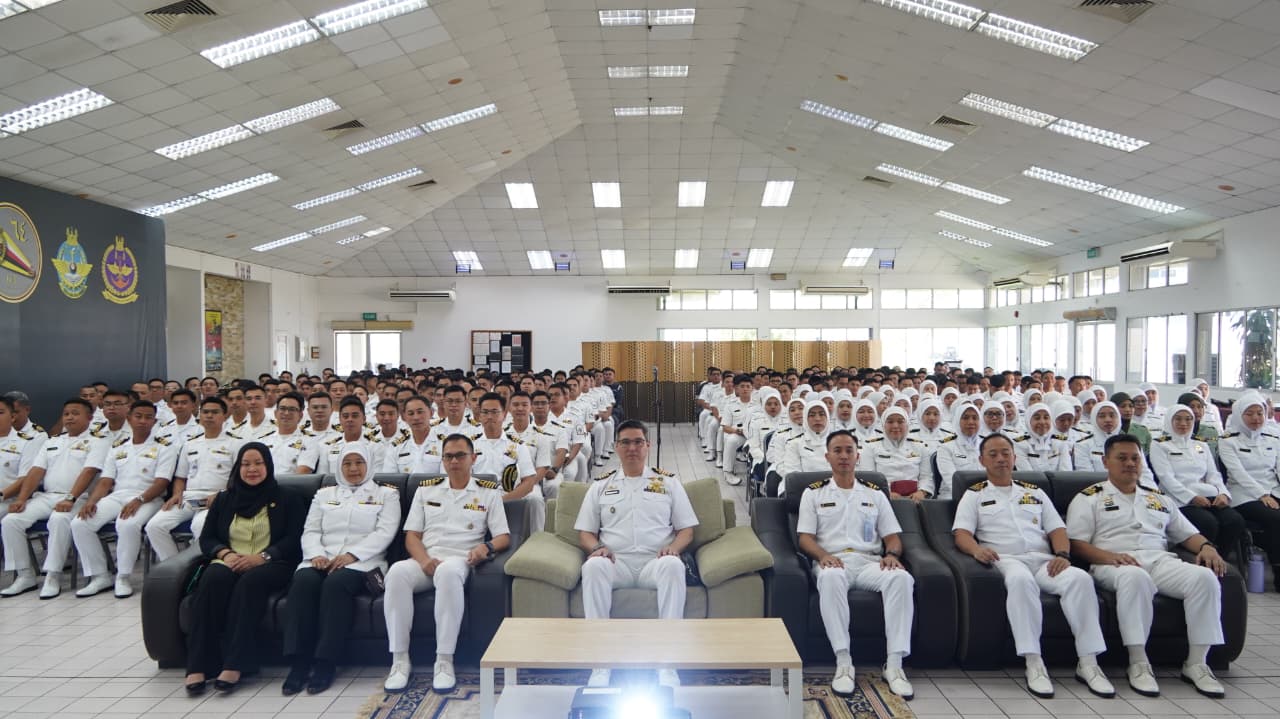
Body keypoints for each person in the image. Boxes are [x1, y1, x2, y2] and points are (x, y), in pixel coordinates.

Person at [1066, 434, 1228, 699]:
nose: (1130, 463)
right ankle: (1139, 662)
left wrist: (1207, 546)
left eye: (1135, 458)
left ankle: (1197, 663)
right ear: (1105, 461)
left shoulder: (1158, 498)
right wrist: (1109, 557)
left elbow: (1187, 534)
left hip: (1160, 561)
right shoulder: (1089, 498)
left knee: (1205, 579)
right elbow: (1076, 544)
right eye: (1122, 458)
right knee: (1135, 577)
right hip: (1113, 563)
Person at [952, 434, 1113, 699]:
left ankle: (1089, 663)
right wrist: (977, 550)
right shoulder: (974, 494)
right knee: (1020, 581)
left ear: (1014, 457)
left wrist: (1063, 554)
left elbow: (1057, 528)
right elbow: (962, 534)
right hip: (1006, 560)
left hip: (1044, 560)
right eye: (993, 454)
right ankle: (1034, 662)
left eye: (1005, 453)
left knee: (1080, 580)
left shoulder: (1035, 492)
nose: (1001, 459)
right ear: (981, 460)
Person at [382, 434, 510, 693]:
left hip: (459, 559)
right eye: (448, 456)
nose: (454, 461)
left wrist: (485, 547)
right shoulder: (426, 489)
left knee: (448, 573)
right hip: (426, 559)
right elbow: (412, 536)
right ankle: (399, 660)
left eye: (460, 455)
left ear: (473, 458)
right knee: (396, 572)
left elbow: (503, 537)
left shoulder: (488, 491)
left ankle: (444, 661)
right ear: (442, 460)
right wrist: (424, 560)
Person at [575, 420, 697, 689]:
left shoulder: (668, 483)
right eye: (626, 442)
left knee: (673, 565)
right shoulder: (601, 485)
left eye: (638, 442)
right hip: (616, 563)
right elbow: (585, 532)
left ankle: (667, 664)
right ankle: (600, 664)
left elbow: (687, 530)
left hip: (655, 562)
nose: (632, 448)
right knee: (592, 566)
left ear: (648, 446)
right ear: (616, 447)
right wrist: (596, 548)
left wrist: (674, 548)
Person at [797, 430, 914, 699]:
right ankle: (843, 661)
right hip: (833, 560)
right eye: (837, 451)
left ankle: (894, 665)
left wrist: (892, 555)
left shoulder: (875, 494)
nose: (844, 456)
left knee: (902, 578)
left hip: (870, 562)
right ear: (827, 457)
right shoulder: (813, 493)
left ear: (857, 456)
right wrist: (822, 556)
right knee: (831, 577)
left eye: (849, 450)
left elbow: (892, 537)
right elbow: (805, 538)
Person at [184, 442, 306, 696]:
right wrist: (226, 554)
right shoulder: (224, 499)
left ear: (268, 466)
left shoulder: (287, 498)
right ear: (237, 468)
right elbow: (207, 539)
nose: (252, 469)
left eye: (258, 463)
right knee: (212, 578)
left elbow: (294, 539)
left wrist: (262, 557)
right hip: (229, 560)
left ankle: (236, 663)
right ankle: (199, 665)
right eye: (246, 464)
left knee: (250, 582)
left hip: (272, 563)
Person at [282, 446, 400, 695]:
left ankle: (326, 662)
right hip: (321, 558)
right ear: (339, 467)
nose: (353, 468)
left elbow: (385, 533)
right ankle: (299, 663)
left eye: (359, 462)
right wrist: (316, 554)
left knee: (335, 584)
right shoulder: (324, 494)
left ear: (369, 464)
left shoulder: (387, 495)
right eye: (347, 463)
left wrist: (352, 555)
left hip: (364, 563)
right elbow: (311, 530)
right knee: (303, 582)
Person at [70, 400, 177, 598]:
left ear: (155, 421)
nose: (143, 421)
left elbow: (162, 482)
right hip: (117, 496)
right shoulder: (118, 446)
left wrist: (139, 500)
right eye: (138, 416)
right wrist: (91, 501)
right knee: (80, 523)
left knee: (127, 524)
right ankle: (99, 576)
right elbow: (105, 481)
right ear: (129, 418)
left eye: (148, 417)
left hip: (148, 499)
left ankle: (123, 577)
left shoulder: (164, 446)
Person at [0, 398, 105, 598]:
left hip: (79, 498)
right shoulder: (52, 441)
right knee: (11, 521)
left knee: (59, 519)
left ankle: (53, 575)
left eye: (75, 413)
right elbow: (36, 472)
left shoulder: (98, 441)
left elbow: (89, 471)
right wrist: (21, 498)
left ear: (89, 418)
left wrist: (70, 498)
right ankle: (25, 575)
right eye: (66, 414)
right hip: (47, 496)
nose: (70, 417)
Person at [146, 396, 242, 562]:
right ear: (200, 415)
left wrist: (222, 496)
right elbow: (180, 477)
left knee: (199, 526)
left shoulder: (235, 443)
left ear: (225, 416)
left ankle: (201, 568)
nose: (209, 416)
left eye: (215, 412)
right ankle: (175, 566)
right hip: (189, 497)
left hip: (217, 498)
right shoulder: (190, 444)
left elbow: (238, 479)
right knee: (154, 526)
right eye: (205, 412)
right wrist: (177, 494)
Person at [1148, 404, 1245, 559]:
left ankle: (1220, 560)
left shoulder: (1200, 444)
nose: (1183, 423)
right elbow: (1166, 478)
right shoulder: (1159, 444)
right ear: (1169, 421)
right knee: (1208, 523)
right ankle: (1201, 560)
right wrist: (1191, 497)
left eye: (1188, 419)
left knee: (1235, 521)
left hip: (1208, 495)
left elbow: (1213, 474)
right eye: (1178, 419)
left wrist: (1223, 493)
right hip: (1179, 499)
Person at [1219, 392, 1280, 590]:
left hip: (1273, 490)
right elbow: (1239, 474)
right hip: (1243, 494)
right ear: (1239, 415)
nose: (1256, 418)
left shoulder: (1273, 438)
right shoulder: (1228, 441)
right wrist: (1262, 494)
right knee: (1275, 518)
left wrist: (1270, 494)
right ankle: (1278, 571)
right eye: (1249, 414)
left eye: (1259, 413)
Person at [858, 407, 929, 499]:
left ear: (907, 425)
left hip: (916, 499)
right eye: (890, 422)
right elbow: (868, 479)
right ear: (883, 425)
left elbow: (927, 476)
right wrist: (886, 493)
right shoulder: (871, 447)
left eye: (900, 422)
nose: (895, 426)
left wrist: (922, 491)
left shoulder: (920, 447)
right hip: (882, 498)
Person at [773, 400, 835, 495]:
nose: (817, 419)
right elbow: (794, 476)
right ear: (805, 419)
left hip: (833, 490)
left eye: (822, 414)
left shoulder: (838, 443)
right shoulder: (794, 444)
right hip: (801, 491)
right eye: (812, 415)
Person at [926, 403, 981, 500]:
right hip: (953, 497)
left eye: (975, 418)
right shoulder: (946, 447)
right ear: (957, 421)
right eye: (965, 418)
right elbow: (952, 482)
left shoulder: (987, 446)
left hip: (985, 495)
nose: (971, 422)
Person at [1013, 403, 1072, 473]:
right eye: (1037, 418)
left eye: (1046, 418)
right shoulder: (1020, 444)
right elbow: (1027, 475)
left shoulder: (1060, 442)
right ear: (1028, 421)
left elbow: (1066, 472)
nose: (1042, 422)